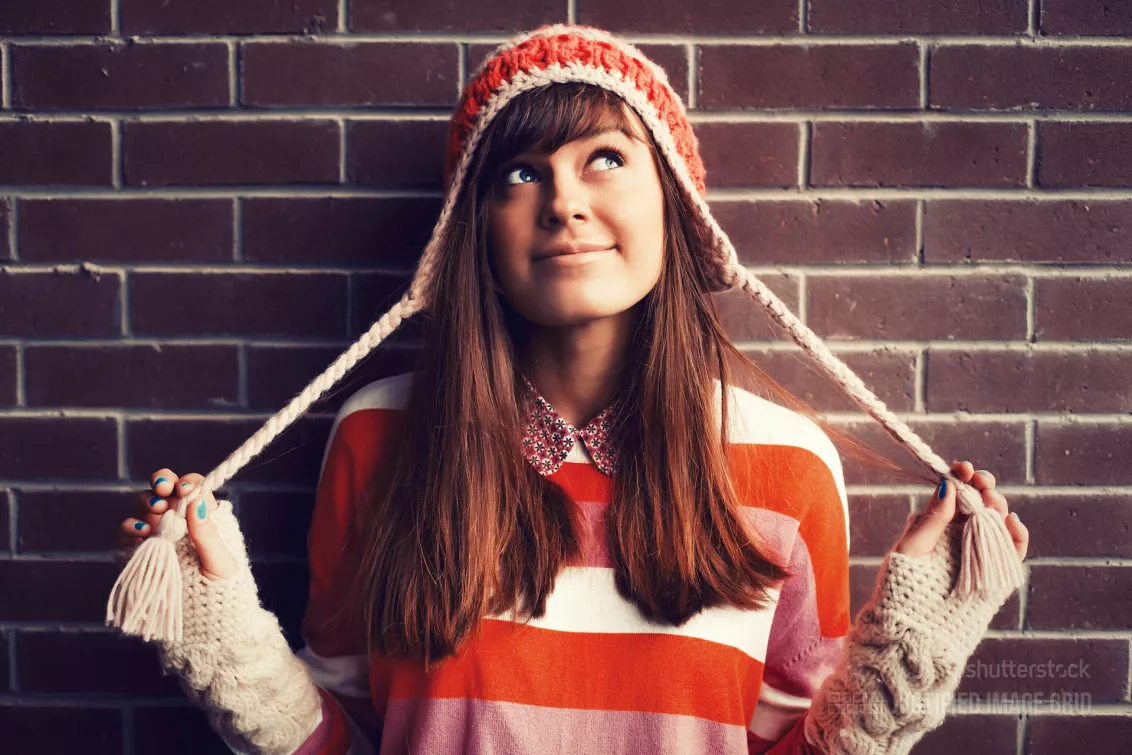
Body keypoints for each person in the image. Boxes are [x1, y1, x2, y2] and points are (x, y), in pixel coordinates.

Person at [115, 24, 1028, 755]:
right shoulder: (375, 437)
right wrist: (223, 634)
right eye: (521, 173)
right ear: (474, 229)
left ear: (675, 205)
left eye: (604, 158)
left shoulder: (790, 464)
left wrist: (909, 656)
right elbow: (343, 737)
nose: (564, 201)